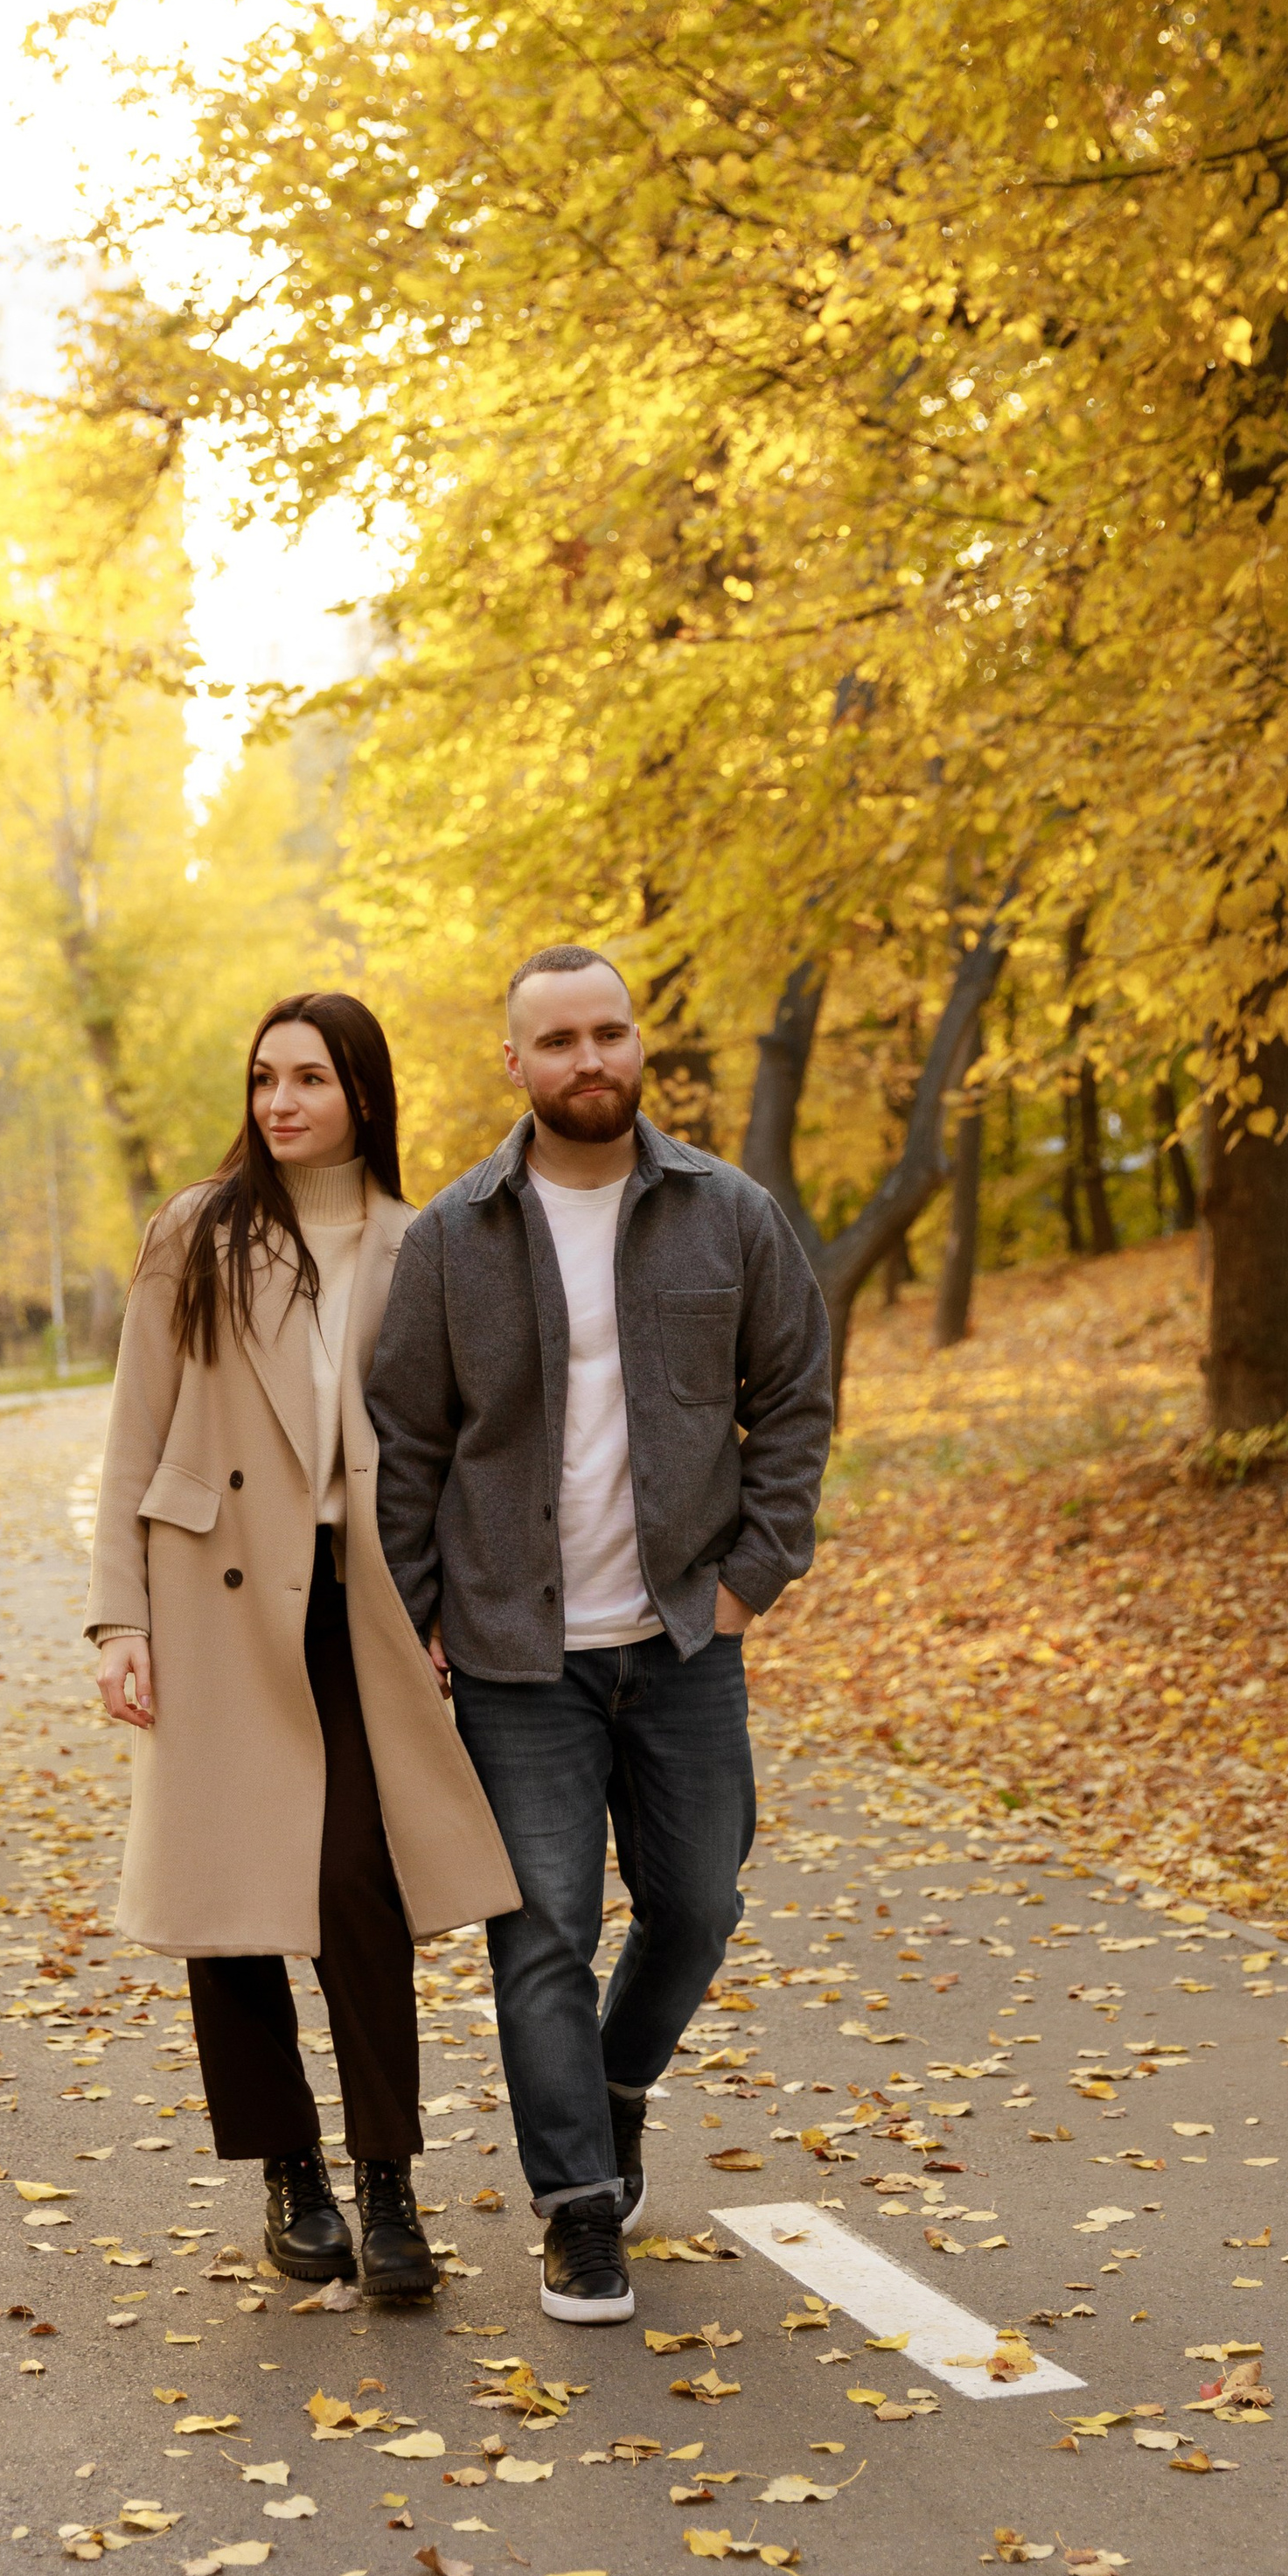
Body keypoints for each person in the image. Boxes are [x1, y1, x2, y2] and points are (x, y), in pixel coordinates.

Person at [368, 945, 834, 2325]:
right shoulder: (456, 1236)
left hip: (687, 1638)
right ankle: (577, 2209)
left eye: (609, 1033)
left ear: (641, 1045)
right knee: (545, 1933)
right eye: (558, 1039)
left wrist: (753, 1576)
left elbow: (797, 1399)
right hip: (519, 1657)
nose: (589, 1059)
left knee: (699, 1907)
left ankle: (619, 2084)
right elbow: (409, 1444)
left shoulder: (727, 1212)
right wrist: (416, 1624)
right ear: (513, 1063)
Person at [85, 994, 519, 2300]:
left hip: (359, 1601)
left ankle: (389, 2182)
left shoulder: (420, 1240)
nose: (280, 1101)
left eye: (310, 1078)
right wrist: (119, 1619)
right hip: (212, 1597)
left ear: (363, 1094)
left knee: (354, 1891)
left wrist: (450, 1607)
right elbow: (133, 1432)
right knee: (230, 1909)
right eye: (264, 1076)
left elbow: (454, 1446)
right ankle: (292, 2176)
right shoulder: (196, 1233)